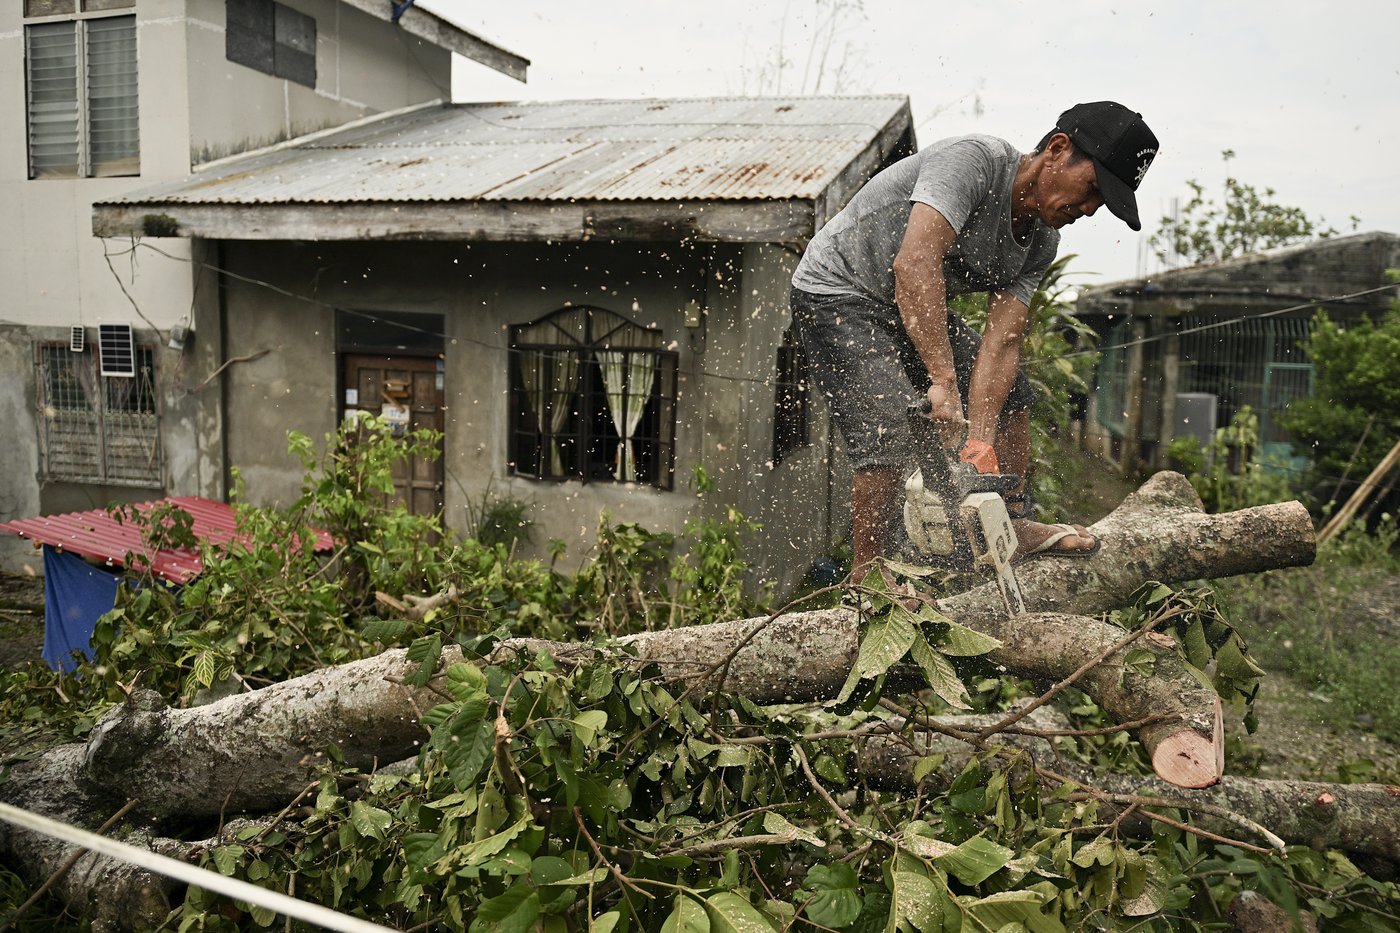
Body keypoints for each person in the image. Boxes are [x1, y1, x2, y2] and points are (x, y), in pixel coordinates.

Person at [789, 101, 1158, 573]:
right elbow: (914, 264)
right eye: (1090, 190)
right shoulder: (973, 162)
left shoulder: (1041, 240)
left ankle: (1014, 522)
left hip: (908, 306)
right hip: (838, 290)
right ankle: (868, 577)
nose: (1088, 210)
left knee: (1014, 398)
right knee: (888, 426)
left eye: (1099, 205)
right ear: (1058, 150)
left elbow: (1000, 343)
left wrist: (980, 440)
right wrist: (944, 382)